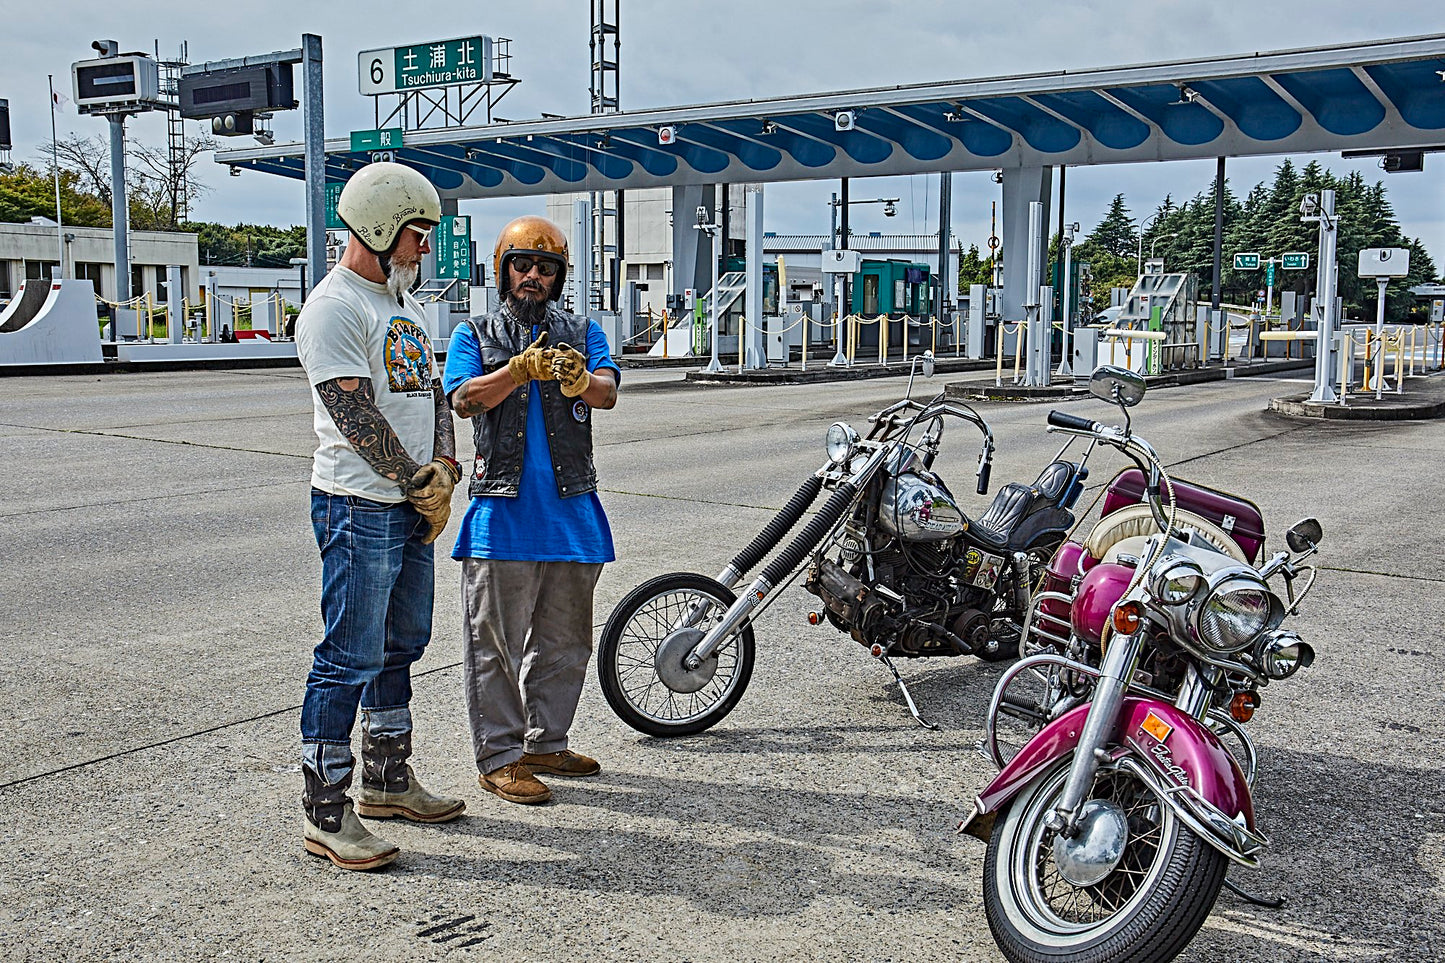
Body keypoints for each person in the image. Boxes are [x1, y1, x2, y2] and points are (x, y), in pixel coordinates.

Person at [295, 162, 466, 870]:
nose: (424, 249)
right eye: (417, 236)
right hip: (355, 503)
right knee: (348, 656)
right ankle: (326, 812)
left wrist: (445, 470)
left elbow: (432, 396)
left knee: (402, 644)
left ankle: (387, 780)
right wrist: (413, 478)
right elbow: (350, 408)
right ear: (377, 226)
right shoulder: (335, 306)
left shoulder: (404, 303)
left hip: (406, 504)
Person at [443, 215, 620, 805]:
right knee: (494, 645)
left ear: (560, 277)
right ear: (502, 270)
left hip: (572, 511)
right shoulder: (475, 333)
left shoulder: (583, 330)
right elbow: (465, 400)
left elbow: (608, 390)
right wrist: (515, 371)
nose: (533, 276)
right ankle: (500, 756)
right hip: (503, 516)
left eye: (546, 268)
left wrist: (578, 382)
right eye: (522, 264)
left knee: (566, 642)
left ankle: (548, 742)